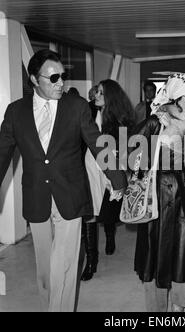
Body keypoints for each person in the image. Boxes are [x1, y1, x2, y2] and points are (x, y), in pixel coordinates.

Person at [0, 49, 126, 311]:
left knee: (66, 264)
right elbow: (2, 153)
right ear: (35, 79)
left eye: (63, 76)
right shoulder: (15, 111)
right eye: (53, 77)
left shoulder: (76, 106)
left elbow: (97, 145)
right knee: (45, 268)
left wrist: (117, 179)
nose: (61, 83)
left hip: (70, 193)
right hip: (37, 195)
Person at [133, 73, 185, 312]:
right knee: (155, 259)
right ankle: (155, 311)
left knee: (181, 256)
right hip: (157, 200)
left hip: (184, 197)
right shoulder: (156, 122)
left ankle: (180, 309)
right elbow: (130, 153)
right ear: (176, 98)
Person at [81, 79, 135, 281]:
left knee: (108, 209)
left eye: (101, 93)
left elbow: (124, 152)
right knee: (90, 212)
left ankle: (110, 235)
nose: (96, 95)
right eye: (97, 92)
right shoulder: (87, 113)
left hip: (111, 168)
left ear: (111, 97)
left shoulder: (120, 121)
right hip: (90, 167)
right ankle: (91, 261)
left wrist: (117, 175)